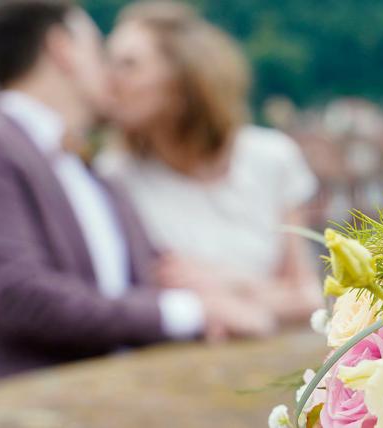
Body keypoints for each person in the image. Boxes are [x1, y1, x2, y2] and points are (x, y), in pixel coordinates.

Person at [0, 0, 271, 393]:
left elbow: (154, 276)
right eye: (98, 50)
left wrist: (219, 291)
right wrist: (189, 311)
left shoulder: (97, 174)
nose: (108, 72)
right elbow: (14, 295)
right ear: (61, 48)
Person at [98, 1, 322, 323]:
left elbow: (309, 299)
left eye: (129, 65)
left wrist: (229, 285)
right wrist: (260, 298)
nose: (109, 82)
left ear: (182, 78)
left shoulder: (273, 158)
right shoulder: (115, 177)